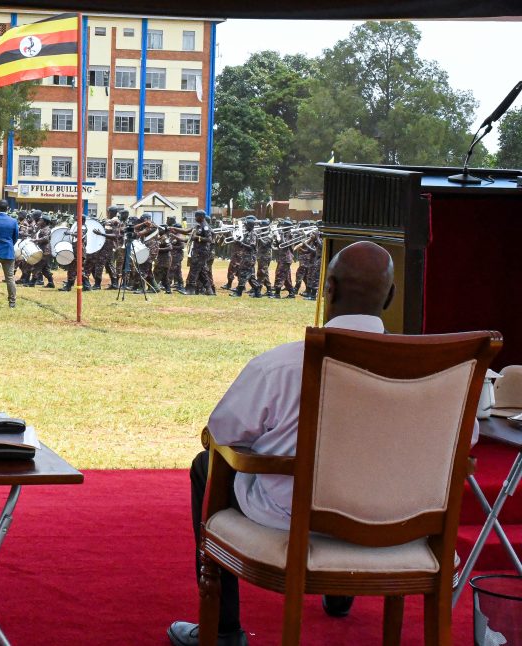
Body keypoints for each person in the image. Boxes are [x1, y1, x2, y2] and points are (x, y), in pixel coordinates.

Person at [168, 241, 417, 646]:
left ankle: (223, 629)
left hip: (292, 515)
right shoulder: (435, 369)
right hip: (394, 518)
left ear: (328, 289)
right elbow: (466, 439)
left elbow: (223, 434)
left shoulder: (283, 365)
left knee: (206, 464)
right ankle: (340, 594)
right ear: (389, 296)